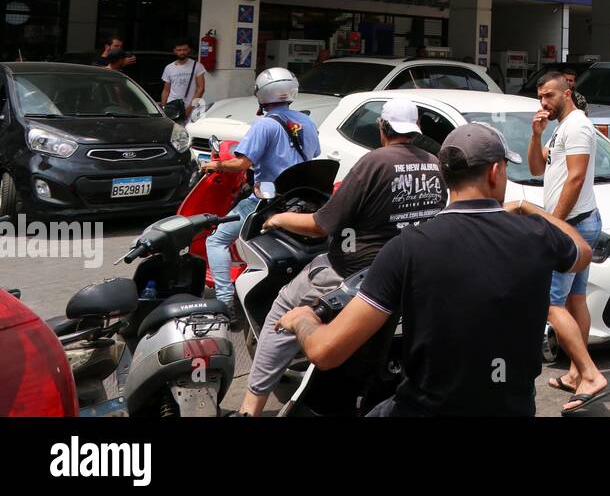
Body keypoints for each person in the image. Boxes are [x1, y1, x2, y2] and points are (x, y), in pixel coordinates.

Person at [275, 123, 592, 416]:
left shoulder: (407, 247)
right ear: (496, 172)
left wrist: (303, 320)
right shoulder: (537, 234)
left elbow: (327, 352)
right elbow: (582, 252)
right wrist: (529, 209)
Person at [232, 99, 443, 416]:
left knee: (285, 306)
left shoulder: (374, 162)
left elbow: (320, 225)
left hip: (354, 273)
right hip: (410, 272)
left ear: (382, 128)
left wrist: (279, 219)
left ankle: (251, 408)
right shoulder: (433, 163)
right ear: (416, 130)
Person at [201, 68, 321, 312]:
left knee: (216, 240)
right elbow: (314, 154)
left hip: (267, 201)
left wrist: (214, 164)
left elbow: (241, 164)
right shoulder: (306, 121)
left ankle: (225, 302)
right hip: (300, 198)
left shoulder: (263, 125)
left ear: (262, 93)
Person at [528, 71, 608, 414]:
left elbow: (575, 178)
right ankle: (576, 373)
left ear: (566, 92)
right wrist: (536, 136)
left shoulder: (576, 126)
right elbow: (536, 168)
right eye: (540, 97)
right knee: (576, 300)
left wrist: (555, 224)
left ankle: (590, 375)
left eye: (549, 96)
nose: (544, 103)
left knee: (551, 304)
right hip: (579, 223)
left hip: (573, 223)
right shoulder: (562, 126)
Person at [160, 40, 206, 121]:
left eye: (184, 50)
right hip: (172, 106)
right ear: (175, 51)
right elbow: (166, 90)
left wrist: (191, 107)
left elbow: (201, 89)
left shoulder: (197, 66)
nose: (182, 52)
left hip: (191, 107)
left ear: (189, 50)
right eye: (179, 50)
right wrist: (164, 107)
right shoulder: (169, 68)